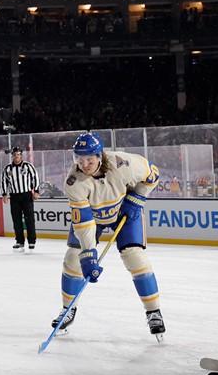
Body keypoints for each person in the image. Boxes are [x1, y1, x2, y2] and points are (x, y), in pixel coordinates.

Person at [54, 133, 163, 338]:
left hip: (125, 212)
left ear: (99, 156)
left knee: (134, 256)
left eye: (89, 159)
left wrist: (137, 196)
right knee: (73, 258)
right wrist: (88, 254)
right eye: (79, 159)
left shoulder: (124, 164)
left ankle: (153, 311)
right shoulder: (74, 183)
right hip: (93, 219)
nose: (84, 165)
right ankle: (68, 309)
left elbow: (153, 174)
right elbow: (84, 222)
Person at [2, 146, 40, 251]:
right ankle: (19, 241)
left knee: (29, 219)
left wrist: (36, 191)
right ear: (12, 156)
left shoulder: (28, 166)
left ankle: (31, 241)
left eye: (18, 154)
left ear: (21, 155)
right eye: (14, 154)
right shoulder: (8, 168)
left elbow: (35, 177)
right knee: (16, 220)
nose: (16, 156)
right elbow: (4, 181)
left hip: (26, 195)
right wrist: (4, 194)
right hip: (14, 196)